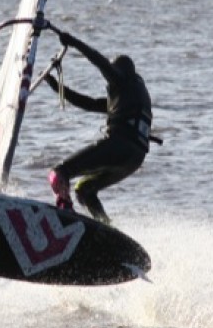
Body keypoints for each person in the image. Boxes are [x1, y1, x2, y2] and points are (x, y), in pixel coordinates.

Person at [43, 30, 154, 223]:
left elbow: (98, 60)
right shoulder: (130, 96)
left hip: (119, 146)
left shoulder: (122, 79)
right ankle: (105, 227)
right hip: (134, 159)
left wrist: (73, 42)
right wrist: (55, 85)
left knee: (59, 173)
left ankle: (64, 211)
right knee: (84, 189)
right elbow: (88, 103)